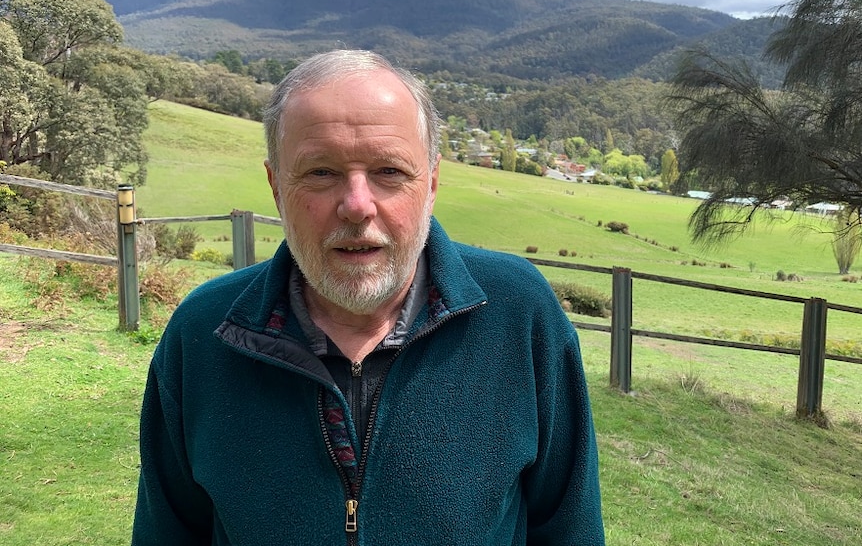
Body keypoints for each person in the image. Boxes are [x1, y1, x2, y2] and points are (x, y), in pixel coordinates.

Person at [131, 49, 605, 545]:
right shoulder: (203, 334)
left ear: (433, 183)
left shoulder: (519, 314)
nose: (357, 206)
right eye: (320, 173)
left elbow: (570, 529)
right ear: (275, 187)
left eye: (389, 172)